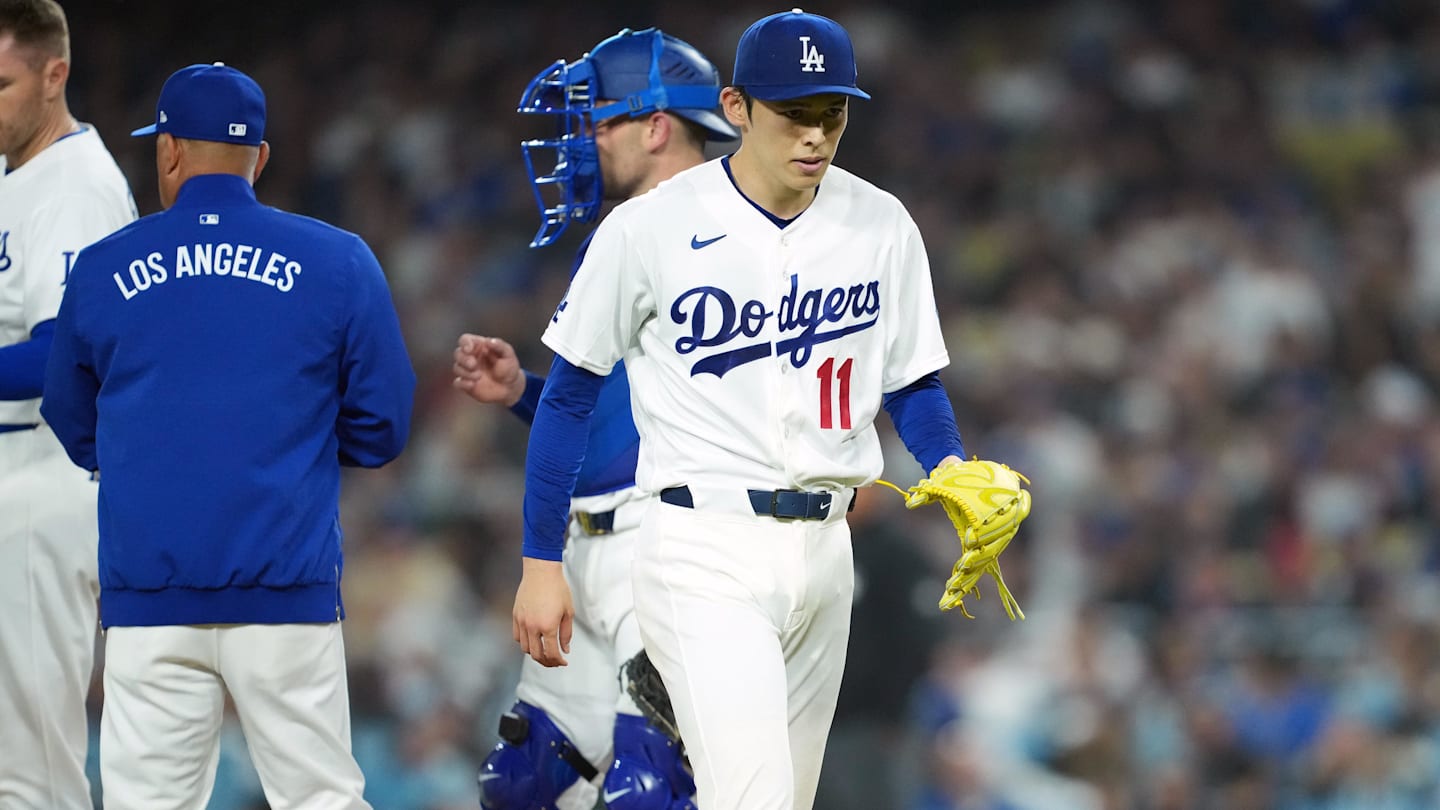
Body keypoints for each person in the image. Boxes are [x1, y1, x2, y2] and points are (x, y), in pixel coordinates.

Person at [512, 8, 970, 809]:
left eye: (832, 113)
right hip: (702, 543)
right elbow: (569, 396)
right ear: (735, 109)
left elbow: (912, 384)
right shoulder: (650, 227)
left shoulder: (880, 221)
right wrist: (540, 562)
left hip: (827, 554)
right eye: (793, 113)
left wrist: (952, 468)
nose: (815, 135)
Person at [40, 62, 415, 810]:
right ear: (262, 158)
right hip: (286, 592)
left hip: (150, 598)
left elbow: (69, 413)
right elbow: (383, 427)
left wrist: (145, 455)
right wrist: (288, 447)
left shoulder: (105, 267)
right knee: (321, 800)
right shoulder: (338, 259)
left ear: (168, 151)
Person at [453, 28, 737, 810]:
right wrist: (522, 394)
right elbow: (618, 412)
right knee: (524, 785)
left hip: (669, 548)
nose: (581, 141)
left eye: (598, 121)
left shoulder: (728, 233)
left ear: (655, 127)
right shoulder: (626, 232)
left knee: (650, 793)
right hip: (587, 546)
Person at [0, 1, 136, 806]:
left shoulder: (81, 187)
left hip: (46, 486)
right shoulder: (13, 171)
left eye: (3, 83)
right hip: (11, 472)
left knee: (30, 765)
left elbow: (63, 357)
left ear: (57, 75)